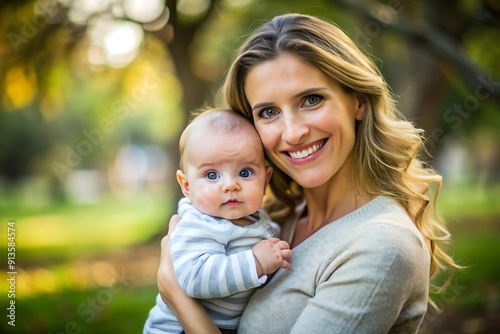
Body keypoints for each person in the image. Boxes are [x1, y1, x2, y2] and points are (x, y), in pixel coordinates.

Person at [156, 13, 459, 333]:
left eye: (311, 100)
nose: (292, 132)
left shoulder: (382, 245)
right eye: (269, 112)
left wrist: (177, 295)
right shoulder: (271, 219)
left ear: (357, 101)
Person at [143, 108, 292, 333]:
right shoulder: (200, 224)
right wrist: (255, 262)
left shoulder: (253, 216)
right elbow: (194, 278)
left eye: (245, 172)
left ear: (265, 179)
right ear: (186, 186)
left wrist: (275, 246)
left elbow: (261, 235)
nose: (230, 185)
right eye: (212, 175)